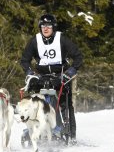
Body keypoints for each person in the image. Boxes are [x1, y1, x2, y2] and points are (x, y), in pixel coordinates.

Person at [20, 14, 83, 143]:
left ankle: (68, 132)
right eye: (43, 26)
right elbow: (24, 60)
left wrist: (70, 72)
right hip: (41, 76)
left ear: (53, 27)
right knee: (34, 101)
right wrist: (29, 72)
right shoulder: (35, 41)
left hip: (60, 75)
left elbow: (78, 57)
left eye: (48, 26)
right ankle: (32, 128)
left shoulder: (62, 39)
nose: (45, 28)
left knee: (65, 104)